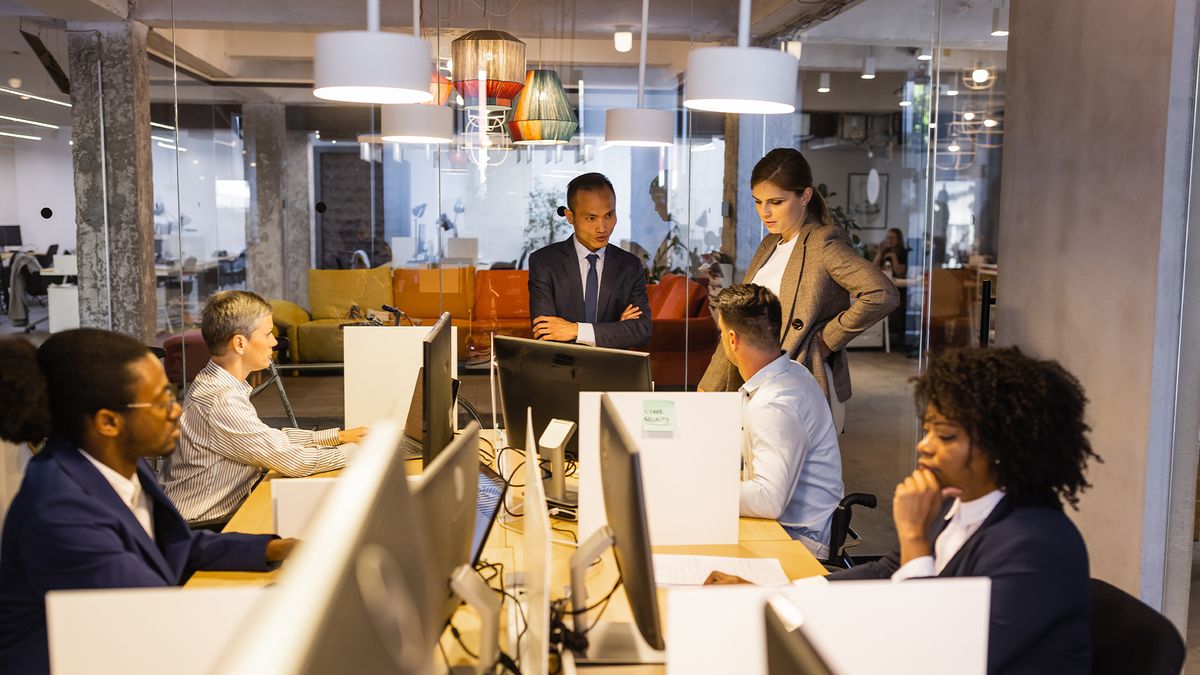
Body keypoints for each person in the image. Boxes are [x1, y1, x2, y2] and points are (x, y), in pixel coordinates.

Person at [0, 329, 296, 675]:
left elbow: (172, 547)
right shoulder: (60, 512)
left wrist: (278, 548)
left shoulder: (119, 462)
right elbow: (156, 611)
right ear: (108, 422)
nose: (176, 410)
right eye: (161, 401)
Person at [830, 347, 1097, 673]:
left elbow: (941, 660)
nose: (924, 445)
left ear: (1000, 445)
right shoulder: (952, 500)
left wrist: (914, 537)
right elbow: (888, 570)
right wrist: (797, 594)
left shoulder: (1037, 546)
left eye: (945, 435)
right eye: (927, 429)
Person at [698, 148, 899, 430]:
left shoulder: (823, 243)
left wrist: (825, 340)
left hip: (802, 379)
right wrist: (707, 389)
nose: (765, 212)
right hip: (758, 382)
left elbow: (882, 294)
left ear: (805, 196)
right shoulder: (769, 245)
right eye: (758, 202)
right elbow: (737, 322)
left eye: (776, 202)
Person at [160, 290, 366, 527]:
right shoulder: (221, 400)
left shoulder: (218, 382)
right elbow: (294, 461)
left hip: (214, 515)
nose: (274, 342)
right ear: (240, 343)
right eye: (268, 334)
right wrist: (361, 451)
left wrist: (339, 437)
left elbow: (268, 439)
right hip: (202, 527)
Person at [714, 284, 844, 558]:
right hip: (788, 525)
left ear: (732, 339)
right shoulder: (791, 372)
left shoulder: (774, 405)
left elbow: (768, 500)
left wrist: (697, 488)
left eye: (721, 333)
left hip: (799, 540)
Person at [528, 172, 652, 349]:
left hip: (611, 365)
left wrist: (575, 330)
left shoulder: (629, 266)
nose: (602, 228)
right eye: (591, 218)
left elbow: (641, 330)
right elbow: (545, 332)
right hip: (563, 365)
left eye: (609, 215)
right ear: (570, 217)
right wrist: (616, 329)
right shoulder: (544, 262)